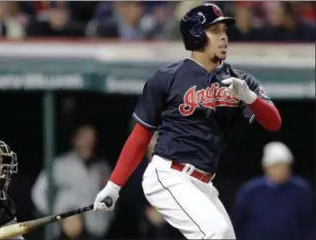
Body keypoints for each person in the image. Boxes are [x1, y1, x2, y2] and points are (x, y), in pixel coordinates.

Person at [93, 3, 281, 239]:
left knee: (225, 236)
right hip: (169, 174)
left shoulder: (240, 81)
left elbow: (274, 122)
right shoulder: (167, 78)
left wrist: (250, 98)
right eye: (215, 30)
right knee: (216, 233)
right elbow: (140, 136)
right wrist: (113, 186)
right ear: (196, 35)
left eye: (224, 31)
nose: (224, 37)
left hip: (204, 184)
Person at [31, 124, 112, 240]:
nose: (89, 143)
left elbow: (112, 198)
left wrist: (106, 220)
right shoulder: (60, 164)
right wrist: (56, 216)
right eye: (84, 139)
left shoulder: (103, 168)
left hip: (95, 231)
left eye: (92, 139)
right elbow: (38, 192)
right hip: (63, 233)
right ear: (75, 140)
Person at [232, 141, 315, 240]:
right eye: (276, 167)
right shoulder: (251, 190)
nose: (281, 171)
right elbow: (238, 221)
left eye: (285, 166)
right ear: (266, 167)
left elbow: (308, 223)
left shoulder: (301, 190)